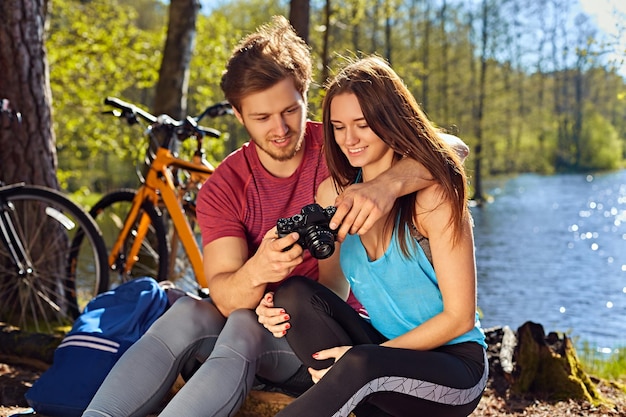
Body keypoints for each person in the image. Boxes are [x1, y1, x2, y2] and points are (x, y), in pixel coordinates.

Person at [83, 17, 450, 417]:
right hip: (255, 329)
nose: (280, 129)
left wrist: (386, 186)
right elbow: (223, 293)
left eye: (290, 110)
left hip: (331, 335)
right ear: (239, 116)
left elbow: (450, 147)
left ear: (306, 95)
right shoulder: (225, 185)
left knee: (242, 324)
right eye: (261, 118)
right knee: (191, 310)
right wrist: (259, 269)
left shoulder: (343, 145)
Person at [266, 56, 488, 417]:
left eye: (363, 125)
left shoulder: (432, 197)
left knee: (361, 364)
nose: (349, 139)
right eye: (338, 127)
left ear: (390, 119)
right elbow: (333, 287)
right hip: (381, 355)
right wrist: (279, 311)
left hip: (456, 367)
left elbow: (460, 318)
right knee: (292, 295)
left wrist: (370, 359)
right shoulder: (333, 197)